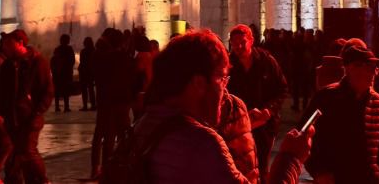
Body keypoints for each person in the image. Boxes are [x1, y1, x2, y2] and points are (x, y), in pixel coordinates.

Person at [125, 29, 311, 184]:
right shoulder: (202, 143)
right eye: (222, 79)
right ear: (198, 84)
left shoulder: (141, 127)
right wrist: (290, 159)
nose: (225, 91)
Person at [306, 42, 379, 184]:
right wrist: (319, 172)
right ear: (349, 68)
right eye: (366, 66)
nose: (372, 73)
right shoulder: (326, 98)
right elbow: (304, 136)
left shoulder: (378, 103)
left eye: (374, 68)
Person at [0, 29, 53, 184]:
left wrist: (36, 111)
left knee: (28, 150)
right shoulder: (7, 64)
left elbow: (47, 91)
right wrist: (2, 112)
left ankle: (42, 180)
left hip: (30, 116)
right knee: (17, 153)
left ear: (20, 43)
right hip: (12, 118)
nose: (4, 46)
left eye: (8, 43)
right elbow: (1, 90)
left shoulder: (38, 62)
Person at [227, 24, 290, 172]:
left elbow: (282, 89)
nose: (239, 47)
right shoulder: (228, 65)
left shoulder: (266, 61)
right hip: (239, 126)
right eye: (235, 44)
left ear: (251, 40)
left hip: (264, 125)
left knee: (262, 165)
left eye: (242, 42)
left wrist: (269, 109)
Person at [93, 30, 139, 178]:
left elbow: (98, 80)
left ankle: (104, 169)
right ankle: (123, 168)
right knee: (123, 136)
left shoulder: (102, 59)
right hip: (122, 101)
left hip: (107, 102)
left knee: (107, 137)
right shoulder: (126, 59)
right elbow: (133, 80)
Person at [52, 34, 77, 112]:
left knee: (58, 90)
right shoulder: (69, 49)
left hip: (58, 73)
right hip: (66, 73)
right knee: (66, 90)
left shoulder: (58, 49)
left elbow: (53, 61)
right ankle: (66, 106)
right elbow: (72, 61)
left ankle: (57, 107)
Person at [81, 36, 99, 110]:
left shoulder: (83, 51)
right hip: (91, 71)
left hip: (84, 71)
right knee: (91, 89)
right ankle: (93, 105)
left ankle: (85, 105)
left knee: (84, 89)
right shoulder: (94, 51)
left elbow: (82, 61)